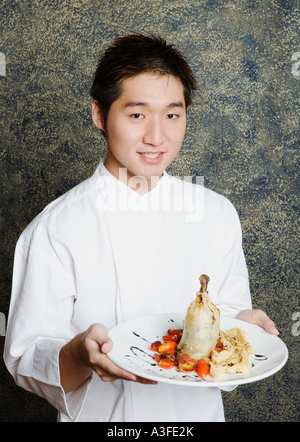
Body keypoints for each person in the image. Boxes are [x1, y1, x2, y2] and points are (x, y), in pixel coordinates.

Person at [4, 34, 278, 422]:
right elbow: (27, 361)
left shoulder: (216, 214)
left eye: (172, 114)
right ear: (100, 115)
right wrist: (81, 351)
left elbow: (229, 323)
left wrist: (242, 328)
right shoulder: (55, 228)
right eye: (136, 115)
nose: (156, 136)